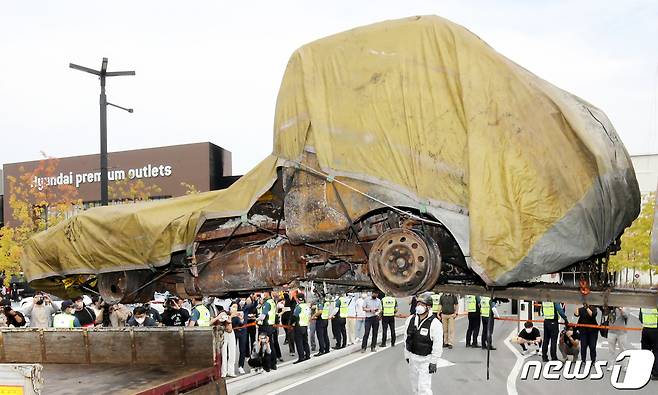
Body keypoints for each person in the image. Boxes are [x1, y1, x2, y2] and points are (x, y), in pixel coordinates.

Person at [404, 292, 443, 395]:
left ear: (429, 307)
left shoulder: (435, 323)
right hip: (413, 358)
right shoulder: (410, 320)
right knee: (415, 388)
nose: (419, 307)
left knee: (423, 388)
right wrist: (407, 355)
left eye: (422, 304)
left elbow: (438, 344)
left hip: (426, 360)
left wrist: (434, 361)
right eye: (418, 304)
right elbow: (406, 338)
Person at [257, 291, 279, 368]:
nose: (263, 294)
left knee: (265, 344)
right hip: (270, 325)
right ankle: (273, 362)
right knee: (270, 344)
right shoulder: (272, 301)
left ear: (268, 293)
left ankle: (268, 364)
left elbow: (263, 316)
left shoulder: (267, 303)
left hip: (265, 326)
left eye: (264, 292)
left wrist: (255, 319)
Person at [211, 311, 236, 378]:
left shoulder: (227, 320)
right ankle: (223, 372)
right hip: (221, 335)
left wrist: (229, 320)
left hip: (229, 334)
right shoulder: (216, 319)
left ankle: (231, 371)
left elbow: (229, 330)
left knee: (232, 352)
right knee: (223, 353)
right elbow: (210, 323)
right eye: (222, 315)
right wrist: (218, 318)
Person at [604, 306, 628, 371]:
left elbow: (626, 316)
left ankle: (625, 365)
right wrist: (606, 308)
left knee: (623, 349)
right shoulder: (610, 307)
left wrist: (621, 309)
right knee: (611, 350)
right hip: (611, 331)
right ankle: (612, 365)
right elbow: (605, 314)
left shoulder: (623, 306)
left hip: (621, 332)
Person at [639, 307, 658, 380]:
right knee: (656, 352)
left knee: (645, 352)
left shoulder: (644, 304)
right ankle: (655, 373)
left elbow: (640, 318)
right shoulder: (656, 304)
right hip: (655, 330)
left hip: (645, 329)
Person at [292, 292, 311, 364]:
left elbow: (295, 316)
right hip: (305, 325)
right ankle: (307, 355)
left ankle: (301, 357)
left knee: (299, 342)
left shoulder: (298, 307)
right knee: (305, 341)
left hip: (299, 326)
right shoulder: (306, 306)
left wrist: (291, 323)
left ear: (297, 299)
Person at [231, 302, 248, 375]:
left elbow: (242, 323)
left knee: (242, 350)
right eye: (233, 307)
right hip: (233, 333)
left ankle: (241, 366)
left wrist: (241, 319)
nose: (234, 308)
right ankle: (230, 368)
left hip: (242, 333)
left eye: (236, 307)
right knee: (232, 350)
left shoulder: (240, 313)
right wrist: (231, 316)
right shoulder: (229, 315)